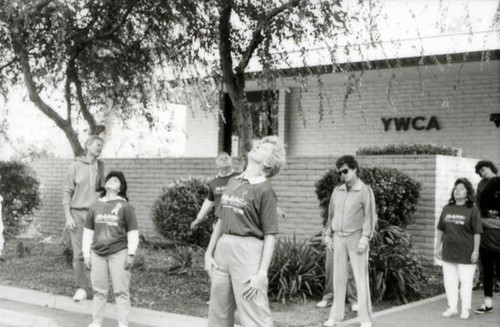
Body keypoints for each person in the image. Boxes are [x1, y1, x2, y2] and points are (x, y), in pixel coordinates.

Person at [205, 135, 286, 327]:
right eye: (260, 144)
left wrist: (262, 273)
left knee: (254, 314)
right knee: (218, 314)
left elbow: (270, 236)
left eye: (264, 149)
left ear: (268, 163)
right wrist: (209, 253)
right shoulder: (233, 182)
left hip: (248, 252)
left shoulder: (265, 190)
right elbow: (221, 219)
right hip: (223, 250)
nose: (258, 147)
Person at [323, 155, 377, 327]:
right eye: (340, 172)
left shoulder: (365, 190)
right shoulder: (337, 191)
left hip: (356, 238)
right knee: (338, 279)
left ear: (355, 169)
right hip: (338, 238)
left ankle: (365, 318)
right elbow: (330, 215)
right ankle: (335, 317)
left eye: (345, 171)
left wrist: (365, 238)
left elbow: (370, 216)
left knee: (361, 279)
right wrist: (327, 235)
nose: (343, 175)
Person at [82, 171, 139, 327]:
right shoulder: (95, 206)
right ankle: (96, 322)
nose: (112, 181)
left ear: (120, 188)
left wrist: (131, 253)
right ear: (105, 184)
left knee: (121, 291)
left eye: (116, 180)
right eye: (110, 179)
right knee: (99, 291)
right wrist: (86, 255)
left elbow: (133, 232)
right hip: (97, 254)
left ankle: (123, 323)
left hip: (119, 253)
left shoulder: (125, 206)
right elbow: (88, 233)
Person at [62, 135, 105, 301]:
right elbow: (67, 191)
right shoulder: (75, 166)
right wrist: (68, 216)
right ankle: (81, 288)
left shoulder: (101, 167)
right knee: (79, 253)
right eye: (98, 144)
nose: (100, 147)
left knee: (96, 253)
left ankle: (96, 288)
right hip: (77, 214)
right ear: (88, 145)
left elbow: (104, 193)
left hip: (95, 215)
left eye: (102, 145)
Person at [435, 178, 482, 320]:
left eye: (461, 188)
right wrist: (438, 246)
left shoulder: (473, 210)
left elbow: (477, 233)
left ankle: (466, 308)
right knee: (450, 281)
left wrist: (475, 251)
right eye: (456, 188)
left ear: (467, 193)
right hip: (449, 251)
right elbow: (440, 229)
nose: (457, 190)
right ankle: (452, 307)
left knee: (466, 282)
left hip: (466, 252)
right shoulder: (447, 208)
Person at [474, 160, 500, 314]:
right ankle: (488, 304)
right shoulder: (481, 185)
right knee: (487, 272)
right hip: (486, 237)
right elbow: (478, 212)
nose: (482, 173)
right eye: (480, 172)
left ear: (491, 168)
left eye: (483, 170)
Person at [190, 152, 238, 230]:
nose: (224, 160)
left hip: (238, 222)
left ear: (231, 161)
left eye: (226, 158)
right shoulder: (214, 182)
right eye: (221, 159)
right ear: (217, 165)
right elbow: (209, 202)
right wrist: (198, 219)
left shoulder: (240, 177)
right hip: (219, 223)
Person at [317, 228, 357, 311]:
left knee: (350, 270)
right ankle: (328, 298)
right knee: (330, 268)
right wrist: (327, 237)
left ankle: (354, 301)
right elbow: (328, 221)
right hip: (334, 237)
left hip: (353, 237)